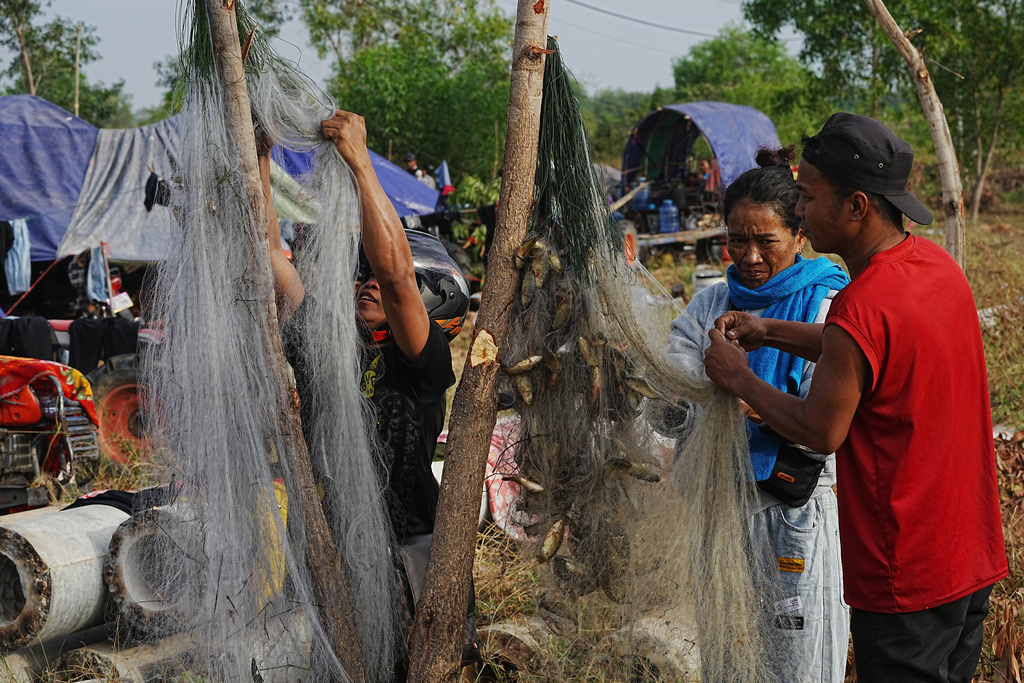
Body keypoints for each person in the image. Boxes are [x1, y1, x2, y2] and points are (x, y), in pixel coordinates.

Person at [702, 113, 1008, 682]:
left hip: (905, 572)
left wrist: (740, 378)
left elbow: (821, 430)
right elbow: (864, 352)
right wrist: (769, 330)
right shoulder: (936, 269)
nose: (799, 210)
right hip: (967, 556)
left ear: (857, 206)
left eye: (809, 198)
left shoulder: (860, 304)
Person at [265, 111, 477, 672]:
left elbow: (397, 275)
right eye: (361, 277)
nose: (367, 283)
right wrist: (259, 157)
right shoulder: (325, 346)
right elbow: (271, 260)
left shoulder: (422, 366)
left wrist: (360, 161)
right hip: (331, 554)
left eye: (376, 279)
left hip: (410, 559)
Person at [668, 146, 851, 682]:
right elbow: (672, 384)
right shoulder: (709, 304)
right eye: (737, 240)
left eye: (765, 241)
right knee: (727, 652)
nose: (749, 256)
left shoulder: (829, 304)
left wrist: (746, 400)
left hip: (790, 512)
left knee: (795, 663)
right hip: (718, 508)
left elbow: (826, 427)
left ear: (798, 236)